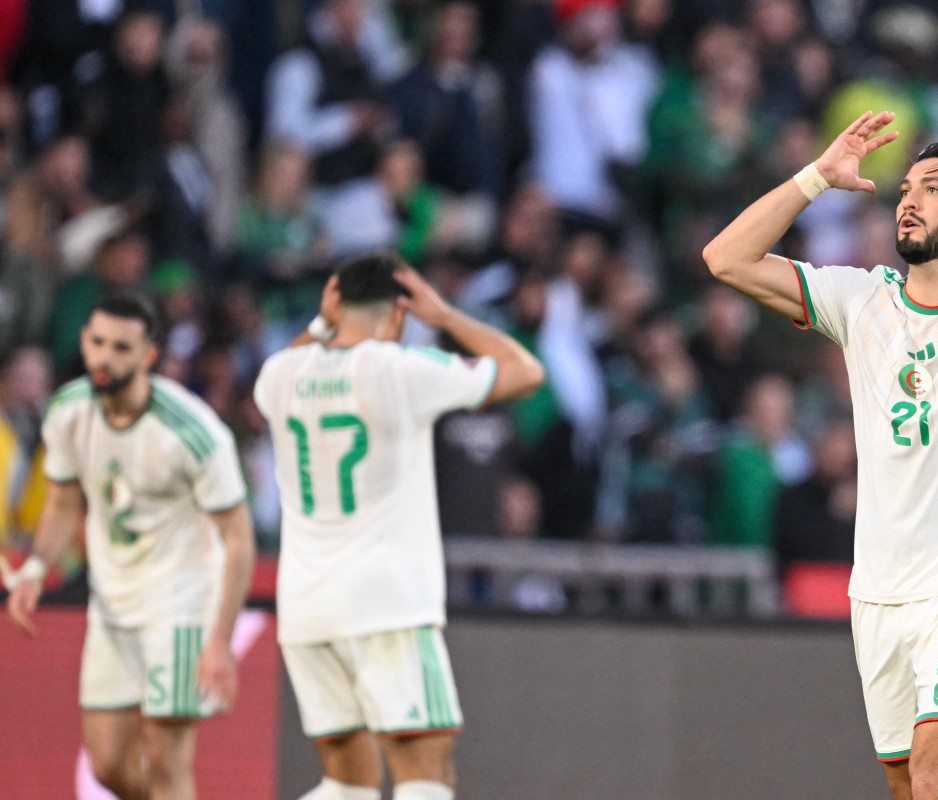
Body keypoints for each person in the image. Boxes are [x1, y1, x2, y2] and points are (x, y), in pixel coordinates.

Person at [704, 101, 938, 799]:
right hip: (881, 588)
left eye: (935, 188)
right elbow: (726, 259)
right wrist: (816, 177)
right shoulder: (862, 299)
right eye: (905, 190)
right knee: (909, 787)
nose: (910, 201)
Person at [253, 252, 543, 800]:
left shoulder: (282, 373)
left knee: (348, 786)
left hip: (308, 610)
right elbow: (527, 373)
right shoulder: (400, 369)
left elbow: (280, 371)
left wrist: (321, 325)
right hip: (386, 605)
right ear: (400, 313)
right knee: (425, 778)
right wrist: (448, 316)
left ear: (334, 302)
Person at [5, 293, 255, 798]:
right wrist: (35, 569)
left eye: (121, 348)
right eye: (98, 343)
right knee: (108, 766)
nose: (105, 357)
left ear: (148, 356)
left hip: (179, 605)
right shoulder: (69, 410)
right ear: (84, 342)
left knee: (165, 760)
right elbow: (63, 501)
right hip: (112, 607)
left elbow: (239, 537)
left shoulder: (192, 432)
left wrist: (220, 640)